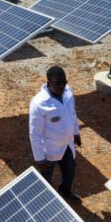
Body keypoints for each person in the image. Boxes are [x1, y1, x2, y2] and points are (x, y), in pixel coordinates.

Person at [29, 66, 82, 202]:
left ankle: (65, 191)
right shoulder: (39, 103)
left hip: (68, 145)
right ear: (48, 83)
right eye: (57, 83)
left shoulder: (68, 93)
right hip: (50, 150)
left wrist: (76, 133)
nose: (62, 86)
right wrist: (40, 158)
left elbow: (72, 114)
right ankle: (47, 201)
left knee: (70, 172)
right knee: (46, 178)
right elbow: (35, 134)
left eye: (64, 82)